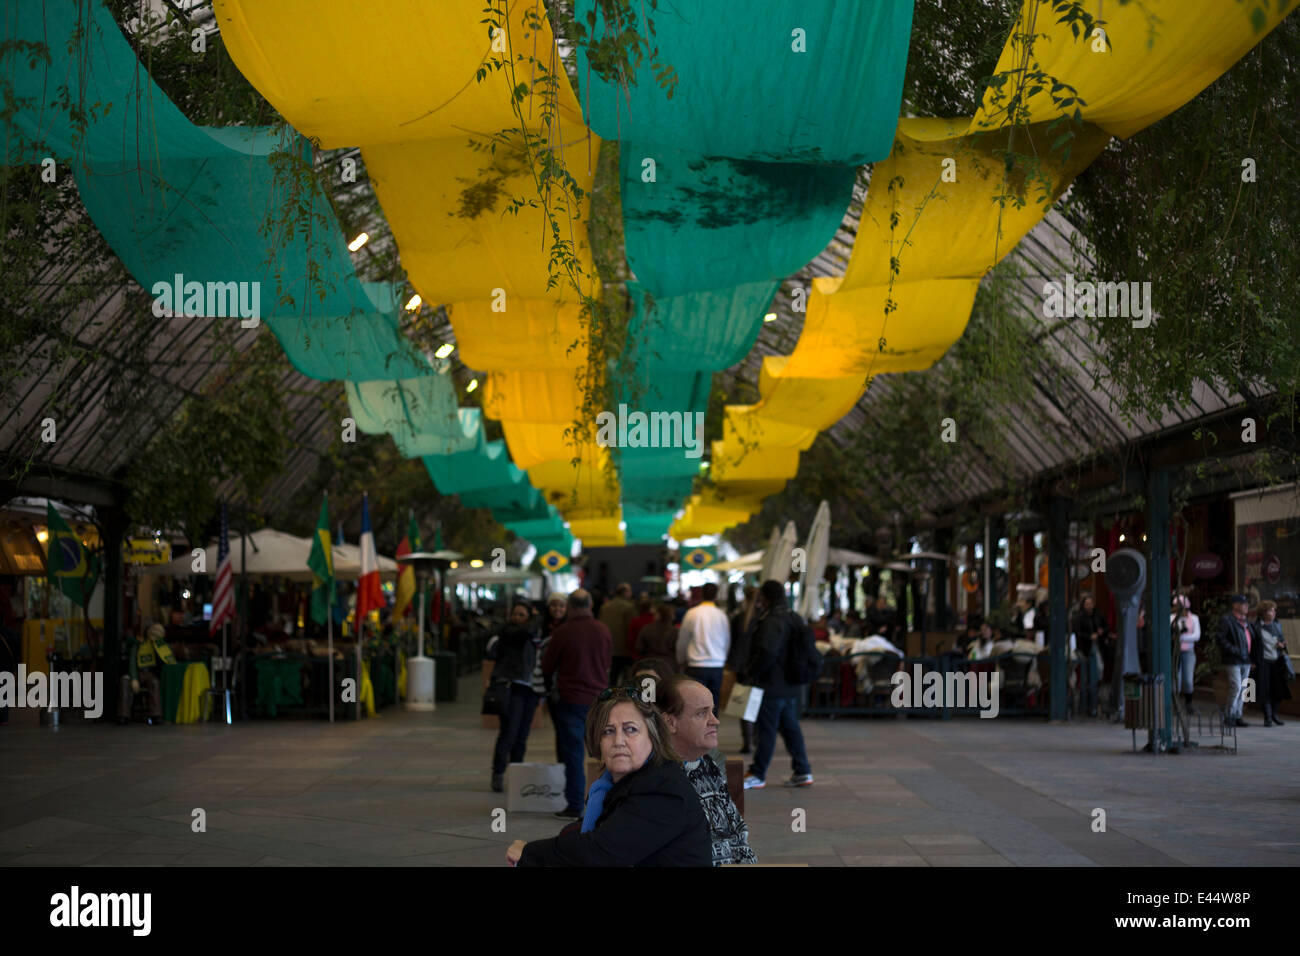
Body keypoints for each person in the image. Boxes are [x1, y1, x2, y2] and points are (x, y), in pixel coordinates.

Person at [506, 688, 710, 867]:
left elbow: (603, 851)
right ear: (597, 742)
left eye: (631, 730)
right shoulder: (614, 784)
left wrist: (530, 853)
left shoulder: (663, 789)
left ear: (653, 737)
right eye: (608, 731)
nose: (618, 741)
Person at [658, 675, 758, 865]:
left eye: (712, 711)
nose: (715, 721)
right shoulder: (658, 780)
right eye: (702, 713)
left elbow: (737, 834)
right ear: (670, 723)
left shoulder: (707, 765)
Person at [541, 590, 612, 818]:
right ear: (591, 605)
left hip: (570, 699)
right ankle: (611, 802)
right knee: (607, 752)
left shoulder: (562, 632)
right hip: (599, 701)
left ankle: (574, 804)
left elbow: (547, 666)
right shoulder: (603, 630)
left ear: (570, 607)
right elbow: (608, 662)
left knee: (573, 753)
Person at [741, 580, 813, 790]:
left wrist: (752, 670)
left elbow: (767, 652)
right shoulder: (795, 618)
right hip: (792, 684)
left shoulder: (771, 621)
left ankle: (757, 773)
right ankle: (803, 771)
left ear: (766, 597)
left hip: (771, 684)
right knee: (791, 729)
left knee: (766, 729)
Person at [486, 601, 541, 792]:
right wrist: (534, 617)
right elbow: (527, 632)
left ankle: (517, 775)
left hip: (531, 689)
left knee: (522, 736)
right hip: (512, 688)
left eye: (521, 615)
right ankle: (498, 772)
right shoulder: (509, 632)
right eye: (515, 614)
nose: (517, 618)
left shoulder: (532, 636)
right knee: (509, 732)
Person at [675, 582, 730, 713]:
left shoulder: (692, 613)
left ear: (701, 594)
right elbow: (727, 641)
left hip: (695, 665)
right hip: (717, 665)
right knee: (714, 705)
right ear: (716, 596)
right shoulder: (722, 615)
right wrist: (724, 659)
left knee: (695, 706)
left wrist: (680, 659)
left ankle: (697, 732)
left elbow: (683, 640)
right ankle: (712, 732)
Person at [117, 623, 174, 724]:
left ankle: (156, 715)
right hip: (137, 672)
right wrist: (134, 678)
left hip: (149, 674)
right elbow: (132, 662)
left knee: (154, 683)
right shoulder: (138, 645)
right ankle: (123, 715)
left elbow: (166, 661)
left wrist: (157, 645)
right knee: (124, 681)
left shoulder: (162, 647)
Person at [1215, 594, 1254, 727]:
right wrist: (1234, 650)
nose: (1246, 606)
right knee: (1236, 686)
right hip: (1233, 660)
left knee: (1243, 688)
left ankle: (1238, 715)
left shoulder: (1245, 621)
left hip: (1246, 660)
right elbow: (1220, 639)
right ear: (1235, 606)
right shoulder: (1227, 620)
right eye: (1243, 604)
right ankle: (1229, 715)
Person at [727, 588, 757, 754]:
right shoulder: (762, 618)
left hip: (741, 666)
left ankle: (747, 741)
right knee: (757, 703)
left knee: (743, 704)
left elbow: (731, 642)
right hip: (758, 666)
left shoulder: (738, 618)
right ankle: (757, 738)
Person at [1253, 600, 1289, 727]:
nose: (1274, 612)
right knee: (1265, 691)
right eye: (1271, 610)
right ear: (1263, 613)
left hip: (1277, 661)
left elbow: (1282, 640)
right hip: (1263, 662)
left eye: (1274, 610)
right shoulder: (1256, 627)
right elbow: (1252, 646)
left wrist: (1282, 644)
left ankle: (1274, 714)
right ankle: (1267, 717)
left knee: (1279, 690)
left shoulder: (1277, 625)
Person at [1071, 594, 1108, 718]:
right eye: (1087, 603)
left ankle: (1094, 699)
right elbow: (1077, 632)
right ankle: (1086, 703)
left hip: (1096, 646)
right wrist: (1089, 636)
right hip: (1085, 647)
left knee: (1098, 669)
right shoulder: (1080, 617)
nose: (1089, 606)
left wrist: (1101, 632)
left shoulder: (1098, 615)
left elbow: (1105, 625)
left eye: (1090, 603)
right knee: (1085, 675)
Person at [599, 582, 636, 684]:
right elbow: (631, 628)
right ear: (625, 592)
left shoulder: (605, 606)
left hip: (609, 647)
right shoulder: (629, 607)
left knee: (612, 677)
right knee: (627, 679)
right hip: (624, 648)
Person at [1171, 595, 1200, 712]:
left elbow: (1196, 636)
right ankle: (1175, 704)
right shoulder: (1172, 618)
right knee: (1175, 678)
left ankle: (1189, 703)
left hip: (1188, 651)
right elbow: (1170, 634)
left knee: (1188, 679)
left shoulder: (1194, 618)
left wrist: (1181, 637)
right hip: (1175, 651)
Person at [635, 602, 678, 672]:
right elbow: (679, 650)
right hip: (670, 665)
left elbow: (639, 648)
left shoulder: (647, 628)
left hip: (649, 663)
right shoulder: (675, 631)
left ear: (658, 614)